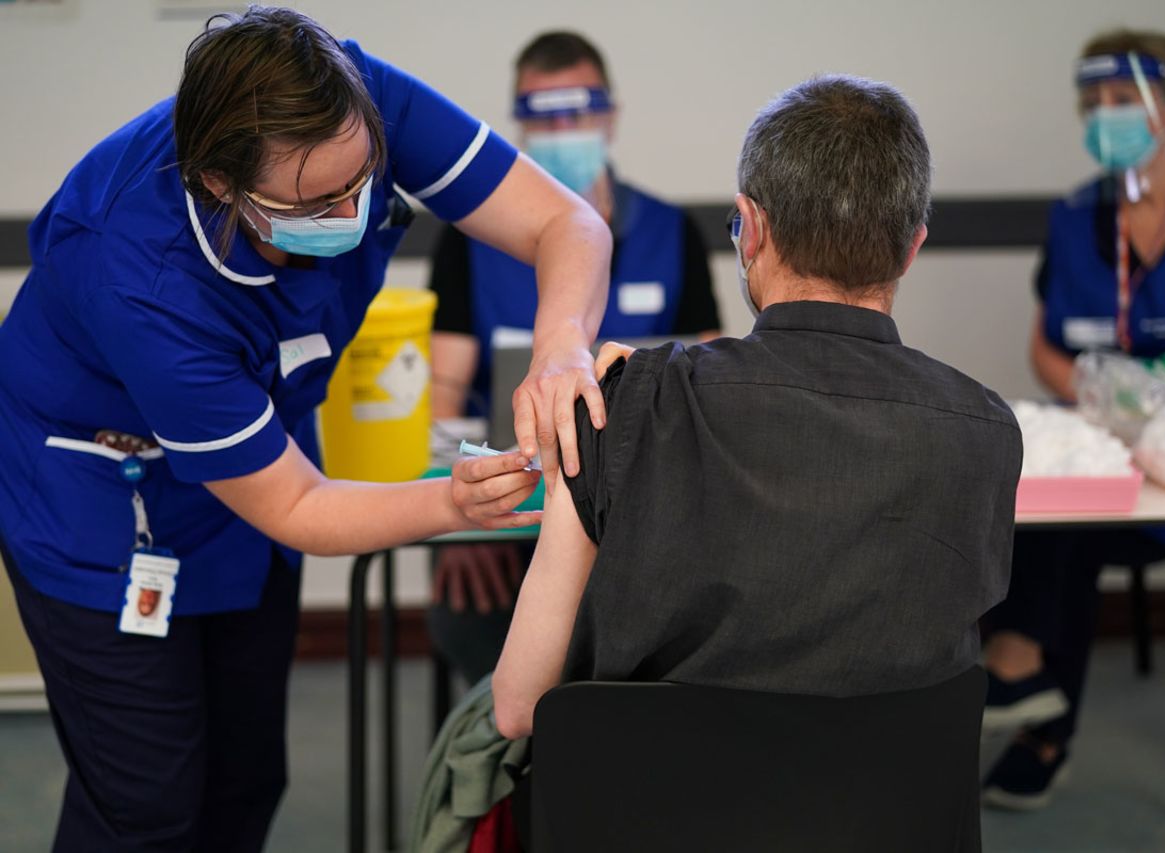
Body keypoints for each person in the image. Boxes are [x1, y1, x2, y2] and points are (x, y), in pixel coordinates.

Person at [0, 7, 613, 849]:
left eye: (365, 179)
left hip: (257, 450)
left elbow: (566, 223)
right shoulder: (140, 276)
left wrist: (560, 350)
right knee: (145, 802)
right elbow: (296, 505)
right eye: (320, 201)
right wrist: (452, 504)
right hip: (103, 496)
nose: (357, 209)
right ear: (221, 184)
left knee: (248, 777)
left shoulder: (348, 95)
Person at [489, 74, 1023, 739]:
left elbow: (518, 708)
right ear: (912, 247)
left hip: (654, 813)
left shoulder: (623, 403)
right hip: (881, 818)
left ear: (753, 229)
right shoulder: (987, 432)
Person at [981, 29, 1165, 811]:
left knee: (1073, 528)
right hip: (1119, 452)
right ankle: (1025, 685)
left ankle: (1029, 697)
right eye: (1093, 105)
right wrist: (1090, 388)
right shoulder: (1077, 215)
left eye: (1122, 102)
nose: (1103, 118)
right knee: (1045, 504)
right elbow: (1044, 346)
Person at [427, 31, 721, 684]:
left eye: (578, 108)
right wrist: (456, 518)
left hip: (649, 517)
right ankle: (517, 775)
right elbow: (443, 390)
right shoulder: (467, 244)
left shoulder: (671, 232)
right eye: (542, 113)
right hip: (510, 511)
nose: (563, 126)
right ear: (519, 127)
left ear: (609, 115)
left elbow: (709, 386)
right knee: (481, 633)